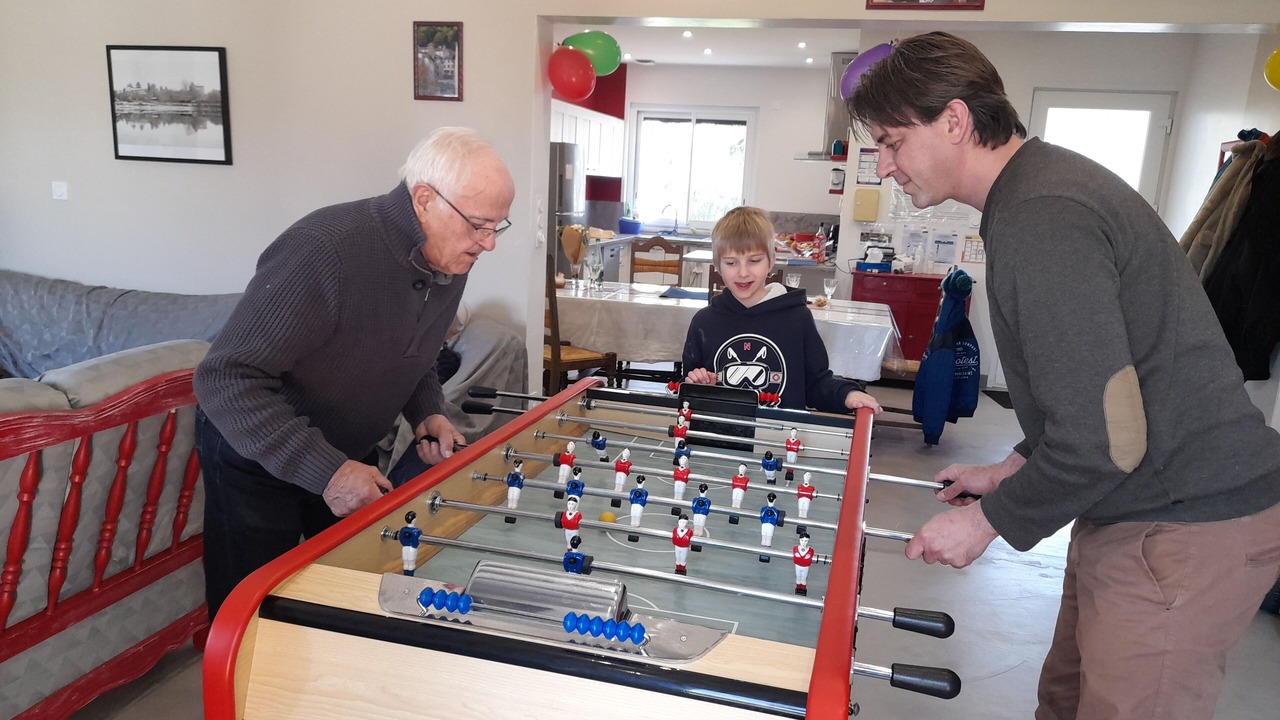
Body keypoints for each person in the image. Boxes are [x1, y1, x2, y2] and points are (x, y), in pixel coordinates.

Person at [847, 31, 1280, 719]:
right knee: (1067, 700)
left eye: (893, 141)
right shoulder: (1037, 191)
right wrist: (1015, 465)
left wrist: (989, 521)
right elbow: (1105, 380)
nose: (884, 164)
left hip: (1182, 519)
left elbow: (1107, 438)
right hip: (1133, 504)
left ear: (955, 121)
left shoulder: (1041, 217)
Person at [193, 127, 514, 621]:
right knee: (253, 617)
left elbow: (418, 345)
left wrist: (427, 408)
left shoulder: (451, 251)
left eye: (497, 226)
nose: (488, 244)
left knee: (346, 599)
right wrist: (327, 471)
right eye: (479, 225)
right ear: (425, 199)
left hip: (346, 450)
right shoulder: (324, 249)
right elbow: (224, 378)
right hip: (256, 455)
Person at [681, 206, 882, 414]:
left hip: (780, 439)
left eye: (754, 261)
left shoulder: (797, 318)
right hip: (719, 437)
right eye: (731, 263)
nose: (743, 272)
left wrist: (847, 394)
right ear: (717, 265)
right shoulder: (703, 322)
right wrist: (697, 385)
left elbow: (815, 384)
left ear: (771, 261)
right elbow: (688, 390)